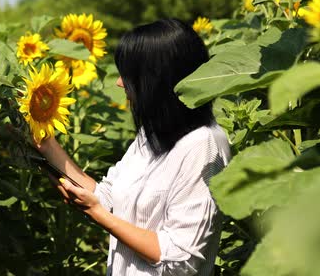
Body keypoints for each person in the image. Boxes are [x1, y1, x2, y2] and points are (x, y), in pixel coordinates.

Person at [37, 18, 231, 276]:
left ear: (156, 80)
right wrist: (43, 142)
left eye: (128, 74)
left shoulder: (203, 145)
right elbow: (107, 198)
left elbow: (182, 261)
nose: (119, 82)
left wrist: (97, 213)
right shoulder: (152, 136)